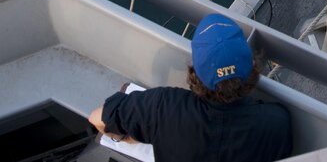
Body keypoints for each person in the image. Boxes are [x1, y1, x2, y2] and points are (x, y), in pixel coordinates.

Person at [88, 13, 293, 162]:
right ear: (253, 67)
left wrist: (128, 138)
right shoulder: (277, 122)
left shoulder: (162, 107)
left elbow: (97, 118)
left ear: (194, 73)